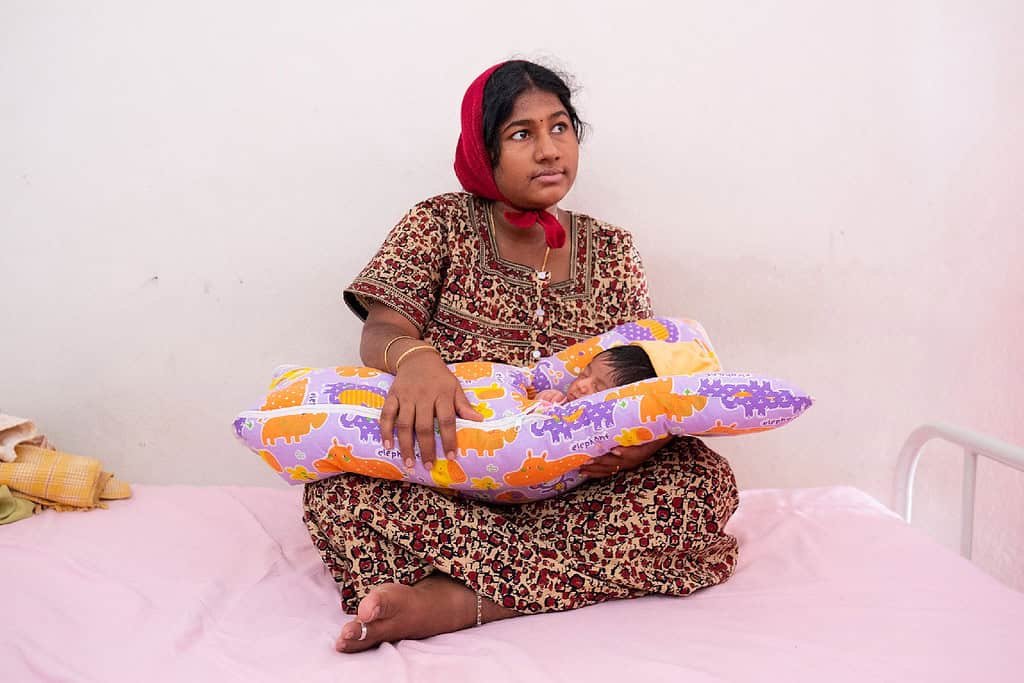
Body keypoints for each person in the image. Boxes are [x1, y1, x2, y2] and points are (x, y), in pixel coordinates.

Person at [303, 60, 739, 654]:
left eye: (560, 128)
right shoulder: (440, 223)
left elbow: (643, 365)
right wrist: (417, 359)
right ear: (485, 151)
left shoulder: (611, 250)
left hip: (576, 484)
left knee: (701, 480)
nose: (548, 151)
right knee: (336, 490)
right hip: (451, 474)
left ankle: (456, 599)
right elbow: (383, 324)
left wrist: (647, 438)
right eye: (521, 135)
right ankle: (538, 583)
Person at [534, 344, 657, 404]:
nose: (581, 385)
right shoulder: (560, 402)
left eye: (598, 388)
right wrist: (542, 401)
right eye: (584, 374)